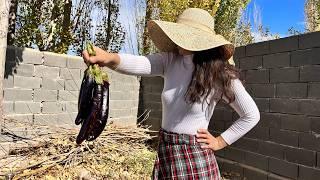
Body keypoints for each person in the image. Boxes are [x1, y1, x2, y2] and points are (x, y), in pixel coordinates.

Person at [83, 8, 260, 180]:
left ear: (198, 41)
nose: (176, 40)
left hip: (195, 157)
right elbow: (140, 63)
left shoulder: (220, 75)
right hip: (166, 150)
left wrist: (220, 141)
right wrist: (108, 57)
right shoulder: (169, 60)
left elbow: (251, 115)